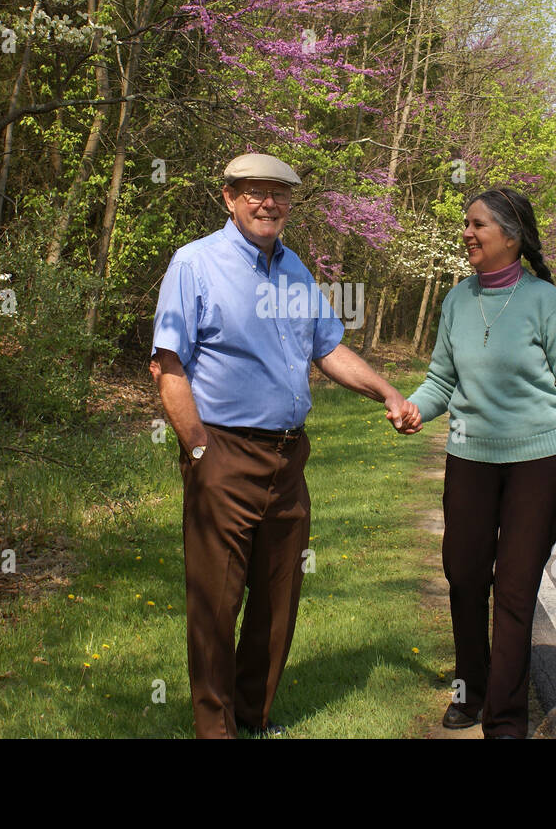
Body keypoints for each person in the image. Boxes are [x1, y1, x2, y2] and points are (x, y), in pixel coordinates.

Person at [150, 151, 421, 739]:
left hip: (287, 459)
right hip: (221, 451)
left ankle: (253, 717)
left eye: (278, 193)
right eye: (254, 191)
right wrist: (197, 449)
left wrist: (388, 393)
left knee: (278, 602)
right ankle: (214, 729)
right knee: (215, 607)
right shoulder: (194, 264)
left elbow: (326, 348)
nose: (267, 203)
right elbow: (167, 362)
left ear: (290, 203)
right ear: (228, 197)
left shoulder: (295, 269)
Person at [404, 186, 556, 739]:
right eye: (466, 224)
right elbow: (442, 378)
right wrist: (416, 408)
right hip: (470, 458)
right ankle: (473, 689)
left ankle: (506, 720)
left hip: (540, 461)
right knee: (464, 576)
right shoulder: (457, 300)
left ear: (510, 236)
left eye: (478, 225)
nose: (466, 233)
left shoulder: (545, 302)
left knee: (514, 589)